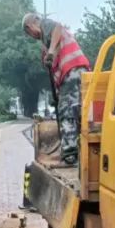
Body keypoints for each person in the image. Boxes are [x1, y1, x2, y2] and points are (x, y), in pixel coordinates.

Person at [22, 12, 91, 166]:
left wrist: (51, 51)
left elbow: (58, 27)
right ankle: (82, 149)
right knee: (79, 111)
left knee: (67, 111)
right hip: (77, 73)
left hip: (72, 71)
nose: (32, 36)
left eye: (29, 33)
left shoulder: (45, 25)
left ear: (30, 26)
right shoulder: (46, 44)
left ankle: (70, 154)